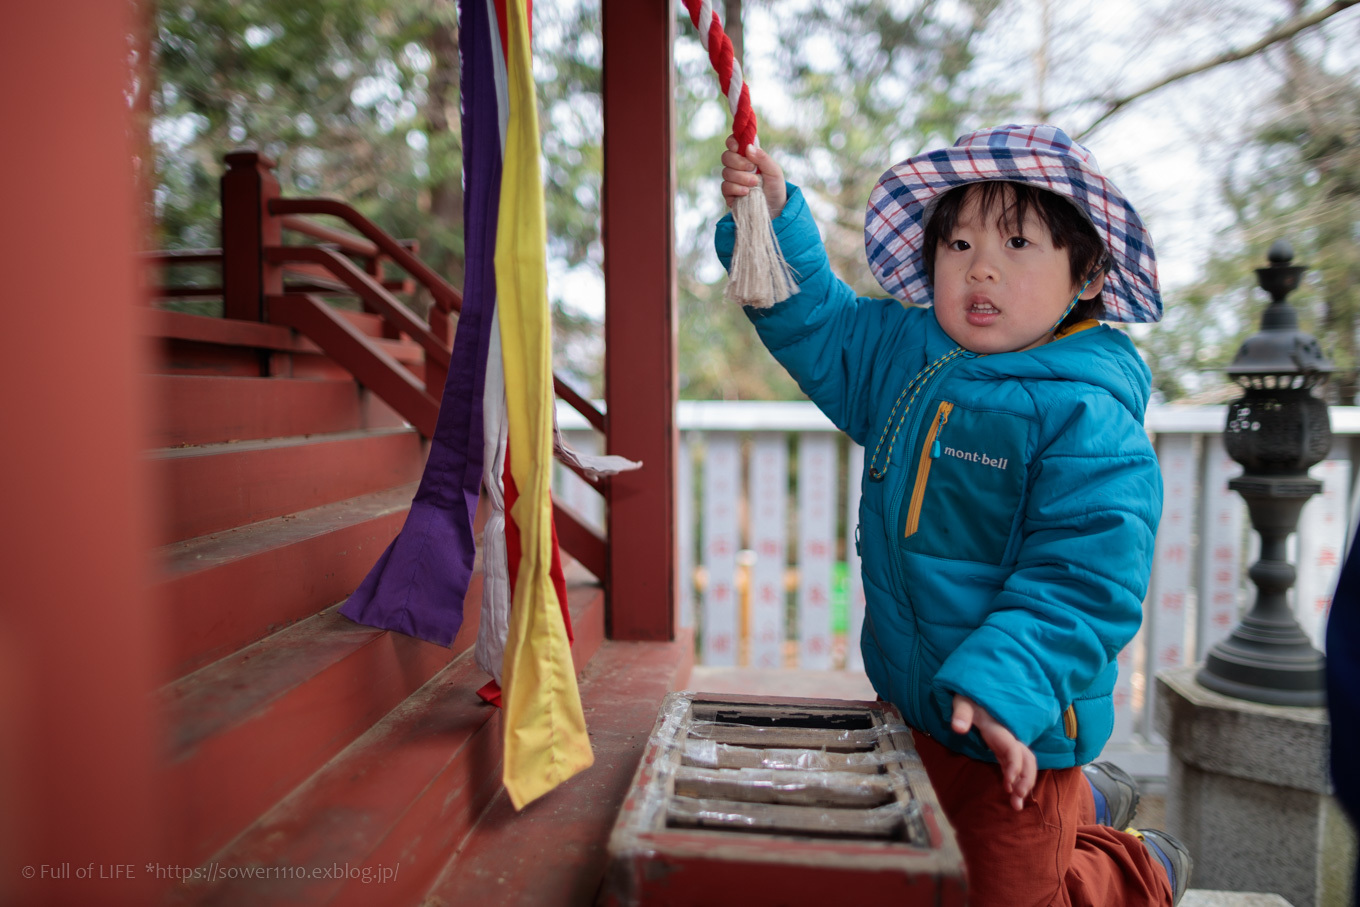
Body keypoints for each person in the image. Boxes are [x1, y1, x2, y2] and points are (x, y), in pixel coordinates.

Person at [717, 124, 1191, 906]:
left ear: (1088, 273)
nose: (982, 267)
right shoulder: (912, 353)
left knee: (1011, 894)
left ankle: (1138, 867)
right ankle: (1089, 803)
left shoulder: (1086, 416)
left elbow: (1083, 581)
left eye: (1017, 242)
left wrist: (1007, 686)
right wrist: (772, 217)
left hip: (1018, 720)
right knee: (916, 866)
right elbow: (821, 324)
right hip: (914, 701)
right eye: (959, 243)